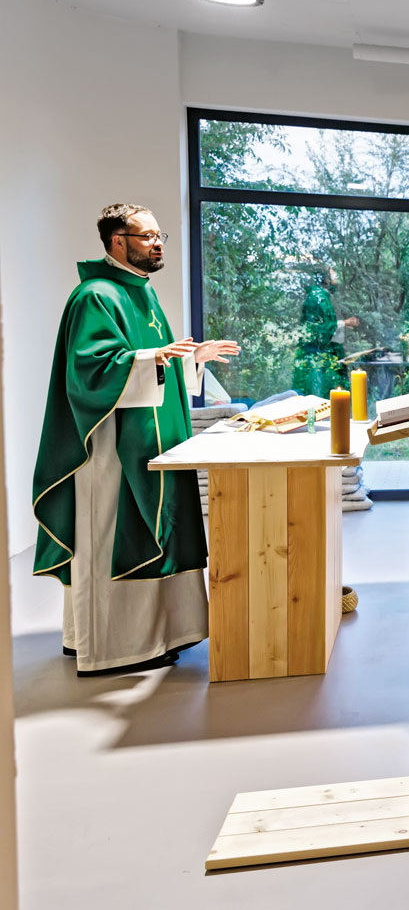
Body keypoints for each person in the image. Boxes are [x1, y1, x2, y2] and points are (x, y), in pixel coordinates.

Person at [32, 204, 241, 675]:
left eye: (159, 235)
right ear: (117, 241)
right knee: (112, 535)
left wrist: (191, 359)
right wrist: (153, 360)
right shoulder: (95, 296)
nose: (158, 243)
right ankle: (111, 648)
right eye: (146, 236)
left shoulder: (141, 292)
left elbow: (156, 362)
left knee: (158, 529)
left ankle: (159, 637)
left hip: (151, 442)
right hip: (110, 448)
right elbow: (91, 372)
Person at [291, 264, 358, 397]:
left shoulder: (321, 296)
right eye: (333, 273)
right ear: (325, 278)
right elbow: (319, 331)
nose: (336, 276)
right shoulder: (318, 297)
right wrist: (344, 323)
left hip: (320, 357)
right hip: (317, 357)